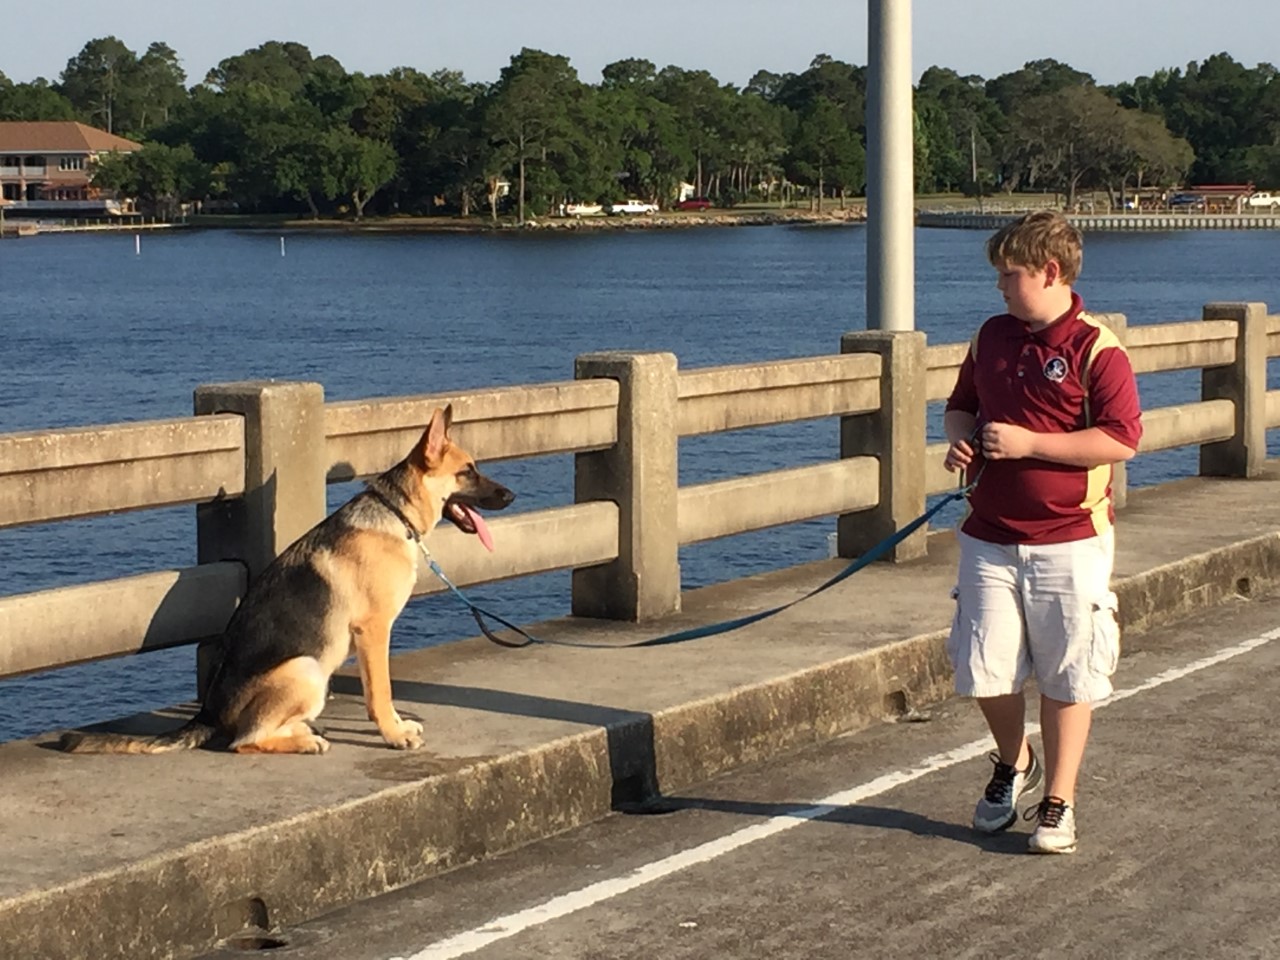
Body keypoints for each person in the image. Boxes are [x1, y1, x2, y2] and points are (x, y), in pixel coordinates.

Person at [943, 209, 1142, 854]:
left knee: (1068, 673)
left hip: (1071, 537)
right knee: (982, 669)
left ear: (1049, 272)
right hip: (989, 533)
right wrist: (959, 442)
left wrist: (1031, 442)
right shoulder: (991, 336)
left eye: (1010, 274)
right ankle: (1014, 759)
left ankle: (1059, 800)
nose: (1000, 287)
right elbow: (960, 406)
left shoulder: (1096, 348)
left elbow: (1121, 440)